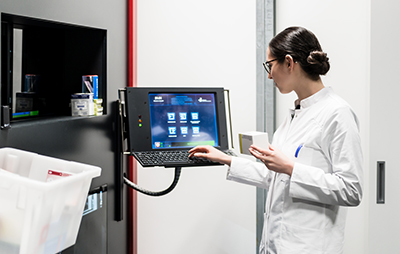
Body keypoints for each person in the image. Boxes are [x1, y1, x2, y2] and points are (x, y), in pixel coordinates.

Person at [189, 26, 363, 254]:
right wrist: (227, 159)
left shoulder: (337, 113)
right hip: (275, 245)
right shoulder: (295, 116)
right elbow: (277, 178)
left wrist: (291, 168)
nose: (269, 75)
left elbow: (351, 190)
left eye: (270, 66)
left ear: (289, 63)